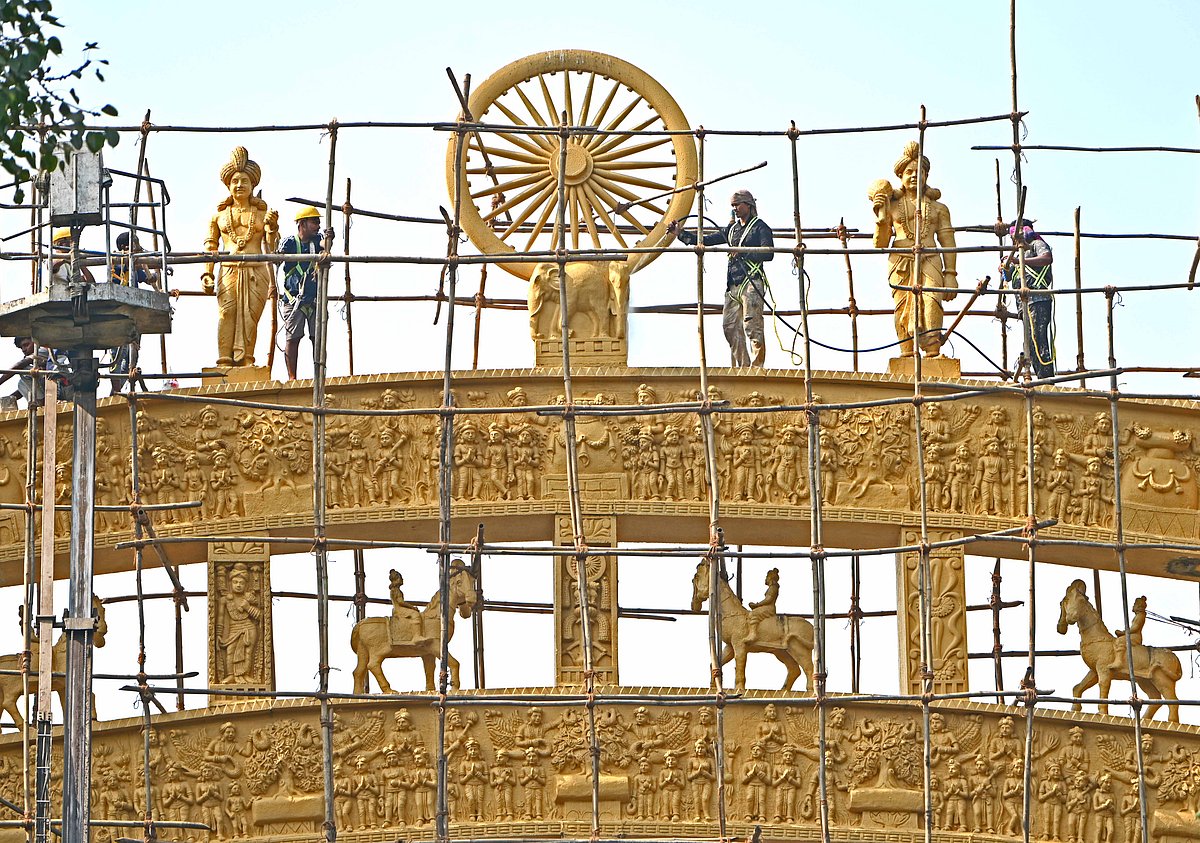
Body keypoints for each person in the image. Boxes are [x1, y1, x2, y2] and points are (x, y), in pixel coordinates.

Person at [869, 141, 958, 358]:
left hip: (930, 257)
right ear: (900, 175)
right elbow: (879, 244)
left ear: (926, 176)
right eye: (909, 171)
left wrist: (951, 274)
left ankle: (932, 351)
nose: (914, 176)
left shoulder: (939, 208)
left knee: (932, 301)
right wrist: (881, 218)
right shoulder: (891, 205)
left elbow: (948, 241)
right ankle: (906, 353)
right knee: (902, 306)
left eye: (920, 172)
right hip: (900, 259)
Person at [669, 189, 774, 367]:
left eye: (737, 205)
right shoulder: (732, 229)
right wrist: (680, 233)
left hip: (751, 281)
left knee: (752, 324)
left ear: (748, 205)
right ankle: (744, 366)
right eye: (732, 206)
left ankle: (757, 367)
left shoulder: (760, 227)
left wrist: (743, 253)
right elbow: (707, 240)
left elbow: (768, 253)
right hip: (733, 284)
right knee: (730, 326)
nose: (735, 209)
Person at [201, 146, 280, 367]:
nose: (239, 185)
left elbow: (272, 248)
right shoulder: (218, 217)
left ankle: (247, 359)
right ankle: (223, 360)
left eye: (244, 181)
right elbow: (211, 247)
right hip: (229, 269)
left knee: (250, 317)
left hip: (256, 271)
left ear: (253, 185)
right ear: (228, 185)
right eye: (235, 181)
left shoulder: (263, 215)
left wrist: (272, 228)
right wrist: (206, 273)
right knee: (227, 313)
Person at [107, 232, 162, 395]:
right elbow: (130, 268)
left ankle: (124, 383)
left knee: (133, 349)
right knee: (117, 352)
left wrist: (157, 267)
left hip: (133, 312)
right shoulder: (117, 260)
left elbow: (149, 279)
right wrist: (144, 261)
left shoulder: (136, 261)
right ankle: (116, 389)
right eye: (135, 244)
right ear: (125, 246)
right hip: (118, 312)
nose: (138, 247)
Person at [278, 206, 328, 380]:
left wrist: (329, 241)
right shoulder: (290, 243)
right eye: (314, 222)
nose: (318, 225)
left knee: (318, 339)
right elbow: (276, 259)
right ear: (302, 224)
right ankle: (292, 376)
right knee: (293, 338)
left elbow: (324, 245)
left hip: (314, 299)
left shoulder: (318, 241)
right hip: (294, 299)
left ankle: (319, 375)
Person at [1001, 217, 1055, 378]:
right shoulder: (1018, 253)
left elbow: (1047, 258)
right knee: (1030, 342)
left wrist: (1021, 260)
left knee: (1039, 338)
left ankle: (1046, 377)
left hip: (1038, 298)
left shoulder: (1036, 245)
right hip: (1024, 302)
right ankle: (1039, 374)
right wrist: (1006, 266)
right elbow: (1009, 276)